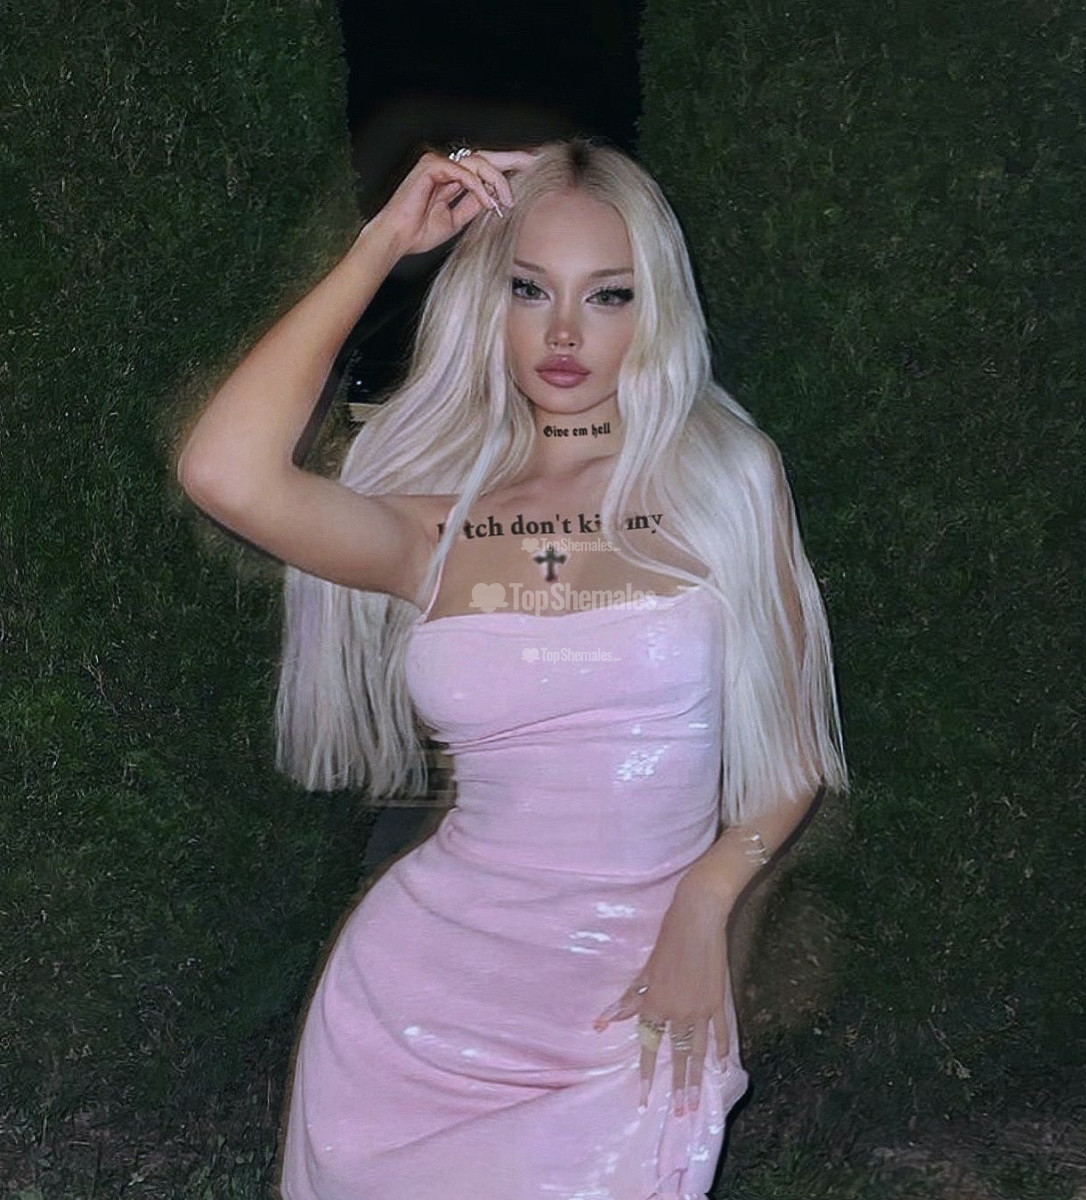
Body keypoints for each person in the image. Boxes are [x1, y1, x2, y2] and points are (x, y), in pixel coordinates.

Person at [177, 137, 848, 1200]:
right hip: (415, 1010)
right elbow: (224, 471)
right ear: (486, 304)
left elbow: (796, 752)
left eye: (609, 295)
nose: (565, 332)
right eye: (529, 289)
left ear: (656, 311)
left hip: (633, 1003)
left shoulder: (725, 485)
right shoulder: (435, 527)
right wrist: (383, 244)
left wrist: (704, 904)